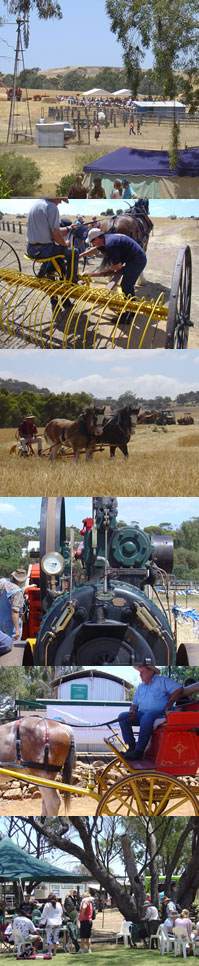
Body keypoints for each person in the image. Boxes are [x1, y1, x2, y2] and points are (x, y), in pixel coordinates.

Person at [81, 228, 147, 325]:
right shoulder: (105, 239)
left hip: (137, 262)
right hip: (134, 259)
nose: (92, 244)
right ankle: (132, 310)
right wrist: (80, 255)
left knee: (126, 286)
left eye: (92, 242)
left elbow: (117, 266)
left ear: (96, 239)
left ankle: (127, 317)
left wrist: (107, 269)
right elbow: (95, 250)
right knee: (128, 286)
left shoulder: (111, 245)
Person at [118, 664, 184, 759]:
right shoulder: (141, 687)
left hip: (159, 713)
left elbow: (178, 689)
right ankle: (131, 747)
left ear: (151, 671)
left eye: (142, 672)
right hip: (143, 713)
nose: (140, 675)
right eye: (139, 672)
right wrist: (132, 711)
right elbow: (134, 704)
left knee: (147, 717)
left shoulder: (162, 681)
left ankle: (139, 751)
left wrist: (168, 706)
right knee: (123, 717)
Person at [27, 198, 79, 310]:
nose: (60, 202)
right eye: (60, 199)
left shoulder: (36, 204)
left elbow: (50, 229)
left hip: (31, 249)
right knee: (74, 251)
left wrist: (69, 228)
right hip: (46, 249)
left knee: (54, 267)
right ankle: (72, 282)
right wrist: (65, 243)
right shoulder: (51, 207)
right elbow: (55, 233)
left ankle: (56, 301)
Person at [0, 569, 26, 642]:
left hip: (1, 622)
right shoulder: (18, 592)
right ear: (22, 581)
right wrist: (17, 630)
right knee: (12, 648)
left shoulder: (5, 585)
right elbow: (15, 611)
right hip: (11, 626)